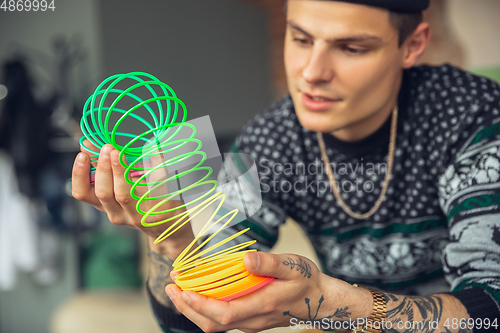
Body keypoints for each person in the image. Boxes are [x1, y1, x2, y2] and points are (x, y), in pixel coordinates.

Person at [72, 0, 500, 332]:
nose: (311, 73)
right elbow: (189, 324)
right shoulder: (271, 139)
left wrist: (331, 303)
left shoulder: (472, 117)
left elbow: (491, 312)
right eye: (300, 38)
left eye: (351, 48)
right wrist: (172, 237)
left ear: (412, 45)